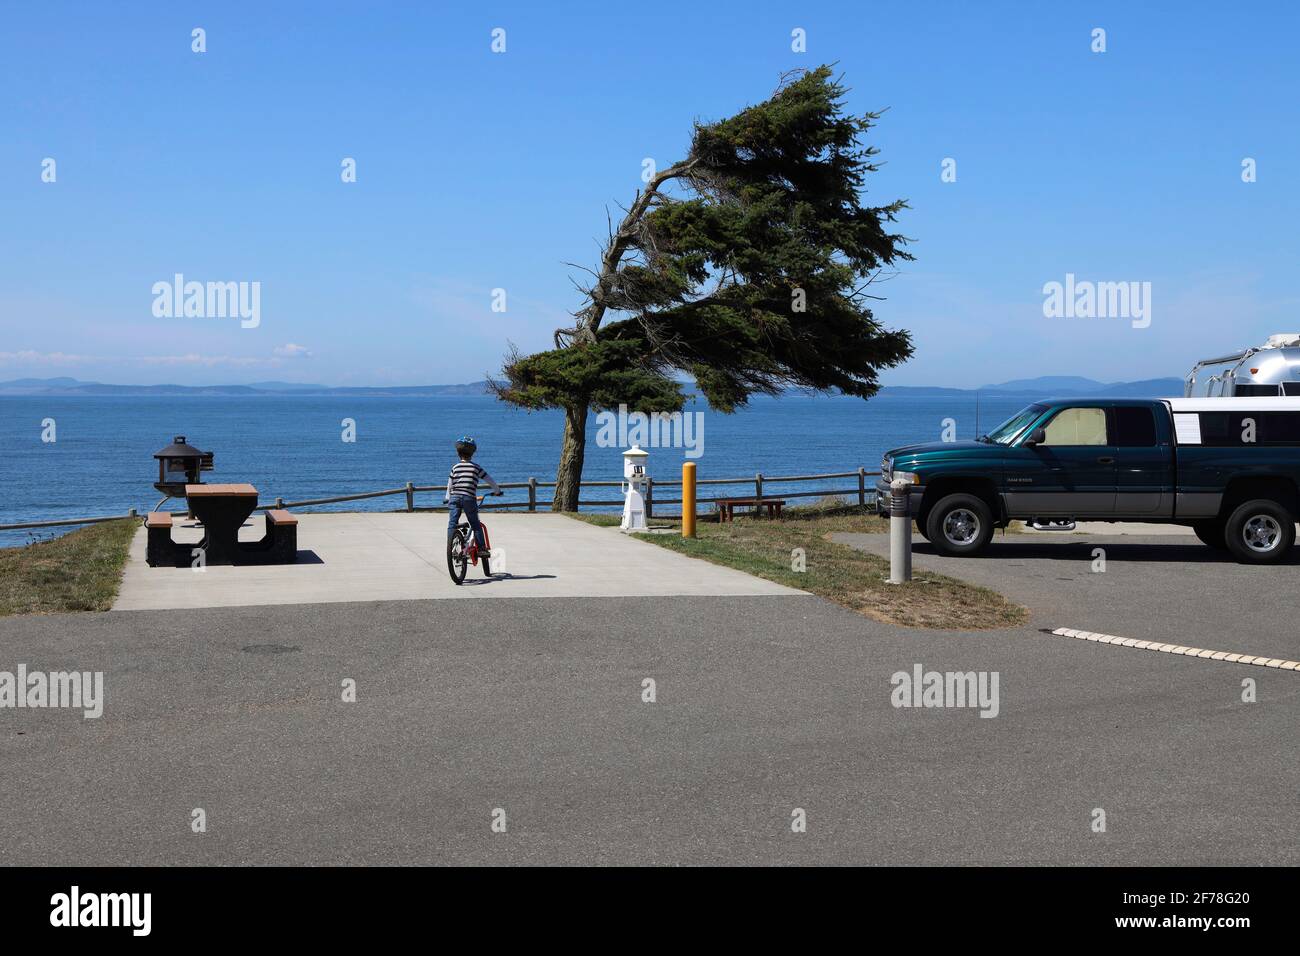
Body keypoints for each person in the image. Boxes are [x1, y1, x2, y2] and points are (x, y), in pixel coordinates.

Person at [444, 436, 502, 552]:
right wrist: (497, 491)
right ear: (472, 453)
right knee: (475, 524)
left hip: (454, 497)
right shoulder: (476, 467)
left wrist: (447, 498)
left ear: (458, 453)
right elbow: (489, 480)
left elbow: (450, 484)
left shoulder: (455, 467)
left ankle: (450, 545)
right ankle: (481, 549)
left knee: (452, 523)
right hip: (469, 498)